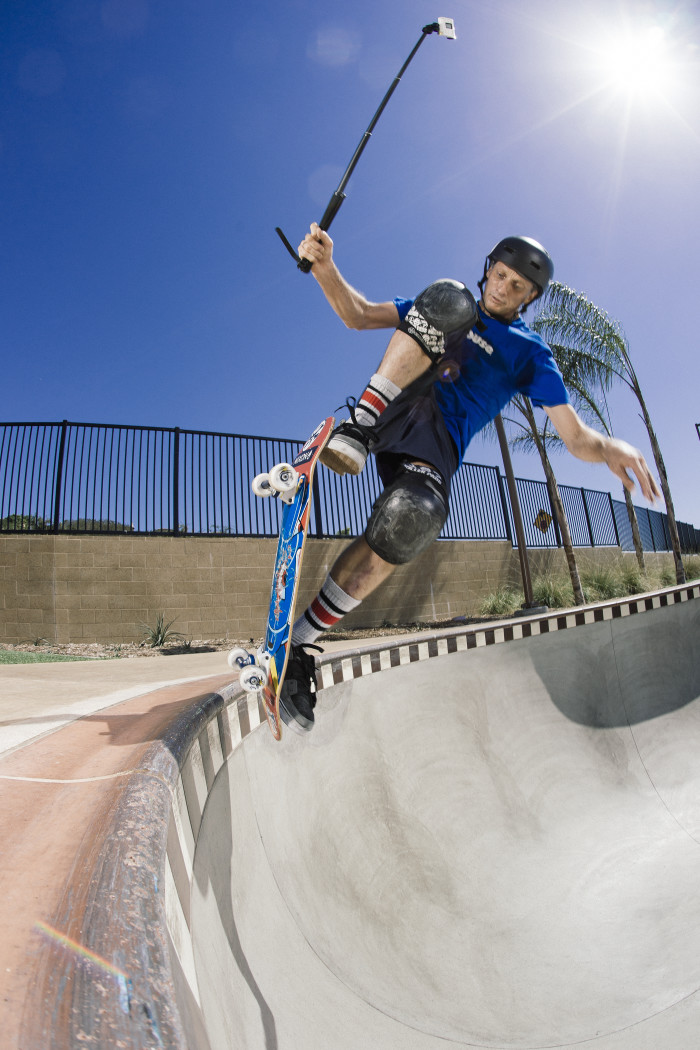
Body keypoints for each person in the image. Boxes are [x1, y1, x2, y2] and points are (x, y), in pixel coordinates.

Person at [278, 223, 661, 734]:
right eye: (500, 275)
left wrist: (609, 446)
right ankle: (360, 426)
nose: (502, 289)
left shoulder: (530, 353)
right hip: (396, 406)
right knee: (449, 300)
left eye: (517, 287)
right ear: (489, 269)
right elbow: (358, 315)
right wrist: (325, 268)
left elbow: (573, 436)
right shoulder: (453, 301)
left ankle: (297, 644)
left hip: (432, 451)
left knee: (413, 520)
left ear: (530, 299)